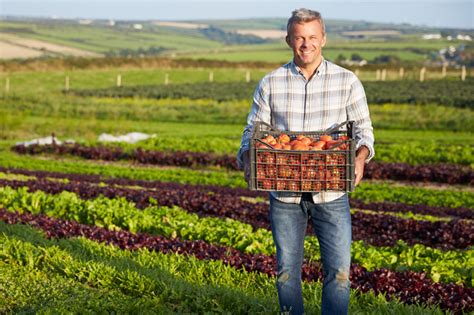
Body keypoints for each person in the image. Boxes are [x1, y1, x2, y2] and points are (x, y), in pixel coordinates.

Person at [236, 8, 375, 315]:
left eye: (312, 37)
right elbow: (253, 131)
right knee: (286, 271)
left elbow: (363, 132)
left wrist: (361, 157)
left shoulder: (347, 81)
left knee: (339, 273)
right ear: (288, 40)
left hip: (332, 192)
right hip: (285, 192)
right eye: (299, 37)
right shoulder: (271, 83)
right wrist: (248, 157)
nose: (306, 44)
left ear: (323, 39)